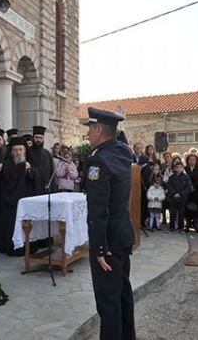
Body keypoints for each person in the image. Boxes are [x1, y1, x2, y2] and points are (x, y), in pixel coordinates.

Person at [82, 107, 135, 340]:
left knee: (108, 302)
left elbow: (98, 210)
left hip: (109, 241)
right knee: (122, 292)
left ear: (100, 129)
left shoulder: (98, 162)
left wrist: (100, 248)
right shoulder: (123, 152)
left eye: (90, 129)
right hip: (123, 234)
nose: (88, 135)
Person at [0, 136, 38, 255]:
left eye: (20, 149)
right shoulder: (7, 164)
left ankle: (28, 247)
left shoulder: (29, 163)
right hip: (11, 201)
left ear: (25, 150)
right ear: (11, 151)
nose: (18, 152)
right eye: (15, 150)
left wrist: (29, 170)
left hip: (26, 200)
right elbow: (6, 180)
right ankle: (14, 249)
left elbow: (36, 178)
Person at [30, 126, 55, 194]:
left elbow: (52, 172)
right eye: (36, 137)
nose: (38, 140)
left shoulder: (47, 154)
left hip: (44, 189)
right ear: (33, 138)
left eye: (41, 138)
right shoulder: (26, 152)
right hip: (30, 188)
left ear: (43, 139)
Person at [167, 160, 191, 232]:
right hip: (173, 197)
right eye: (177, 167)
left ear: (183, 168)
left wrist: (180, 194)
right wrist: (174, 193)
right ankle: (172, 226)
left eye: (180, 167)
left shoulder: (186, 177)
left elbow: (188, 188)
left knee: (181, 213)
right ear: (174, 168)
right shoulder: (171, 177)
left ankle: (181, 227)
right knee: (173, 212)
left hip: (182, 198)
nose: (178, 169)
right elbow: (169, 186)